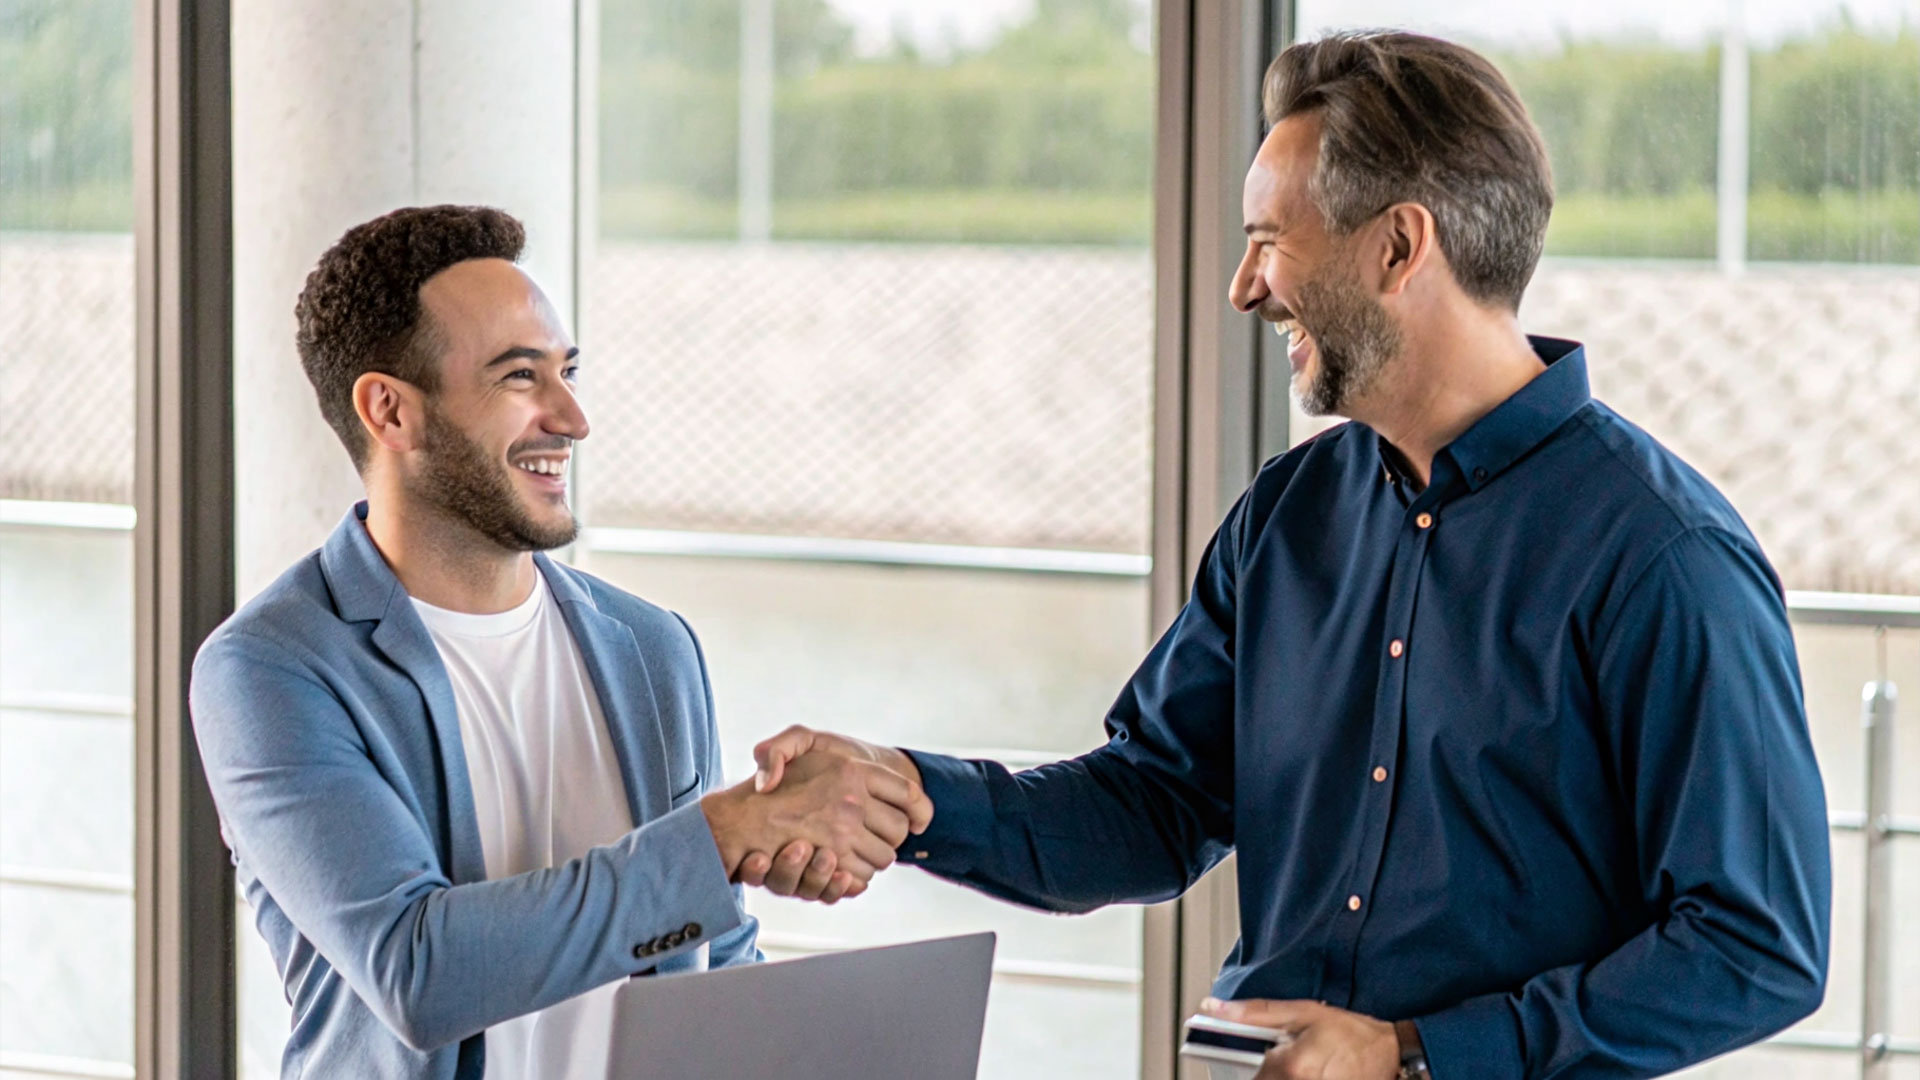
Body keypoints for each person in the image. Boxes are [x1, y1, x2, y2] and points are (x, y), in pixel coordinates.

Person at [753, 30, 1831, 1080]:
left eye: (1270, 238)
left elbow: (1754, 946)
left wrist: (1416, 1057)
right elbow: (1156, 803)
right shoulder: (1286, 516)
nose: (1243, 287)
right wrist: (910, 797)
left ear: (1399, 247)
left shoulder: (1663, 557)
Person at [189, 205, 930, 1079]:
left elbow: (714, 956)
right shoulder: (272, 670)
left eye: (567, 371)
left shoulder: (652, 647)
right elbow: (417, 970)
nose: (572, 417)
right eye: (518, 377)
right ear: (389, 410)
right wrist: (724, 833)